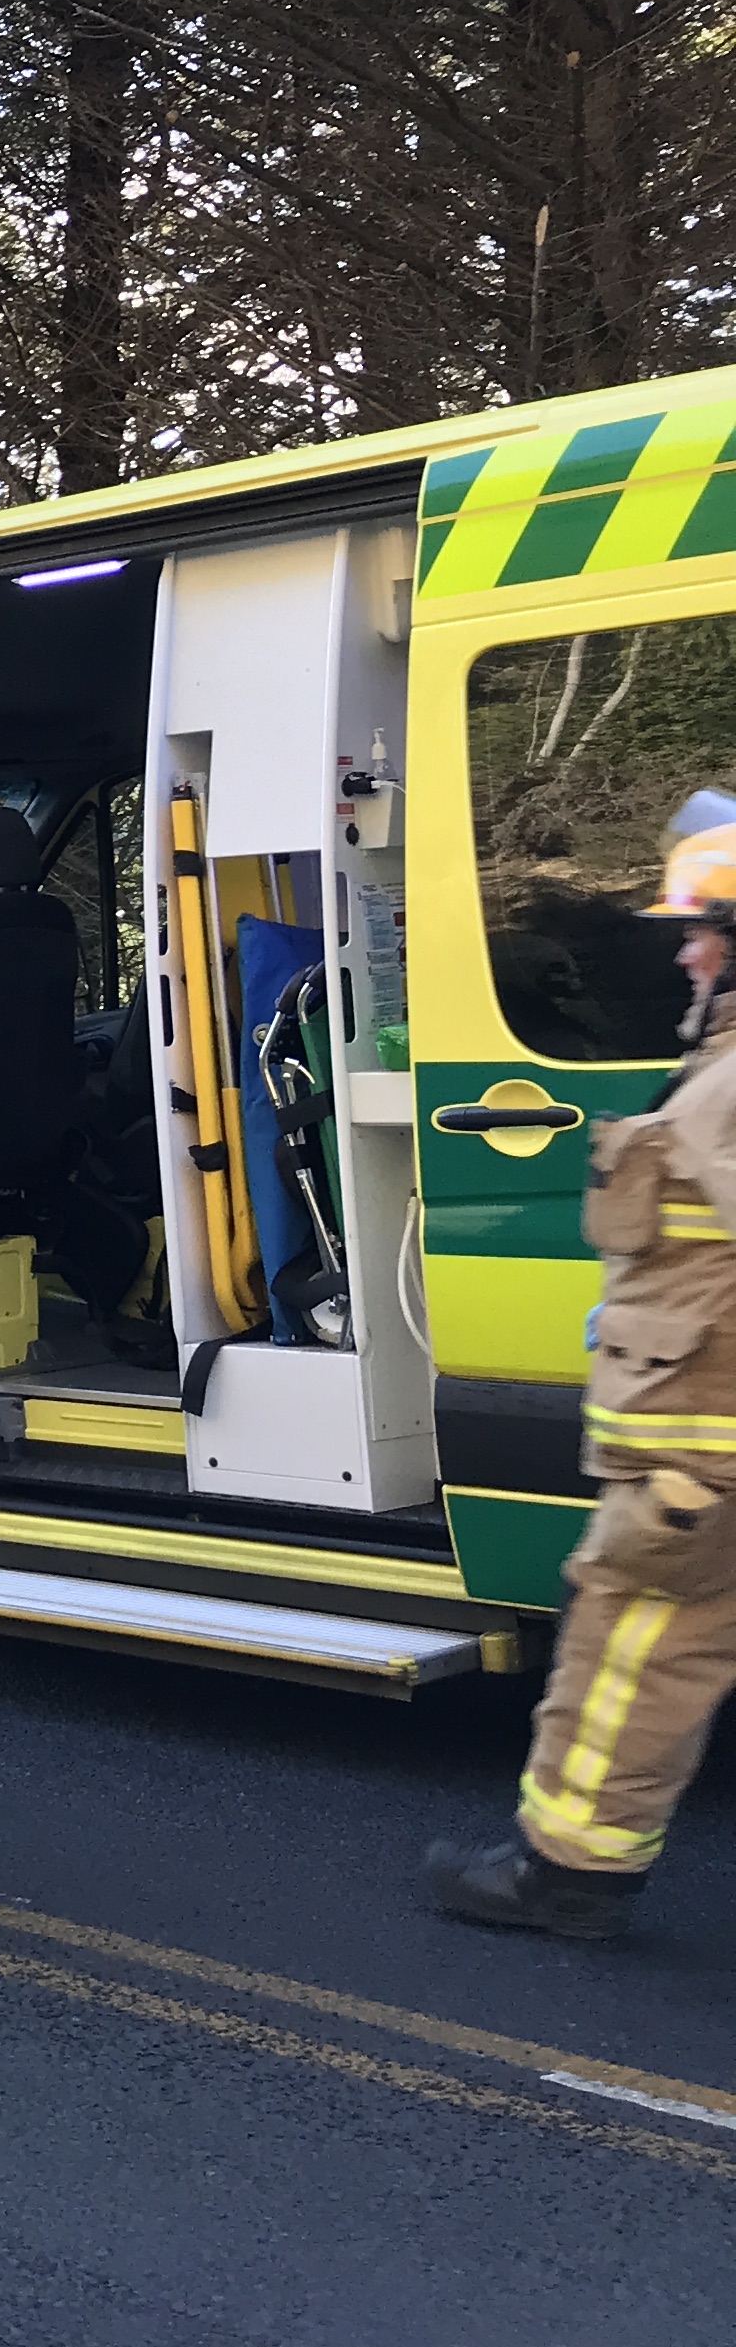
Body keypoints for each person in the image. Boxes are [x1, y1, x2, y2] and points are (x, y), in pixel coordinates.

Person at [429, 816, 736, 1939]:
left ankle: (568, 1878)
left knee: (632, 1648)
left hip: (702, 1452)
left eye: (703, 934)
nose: (683, 955)